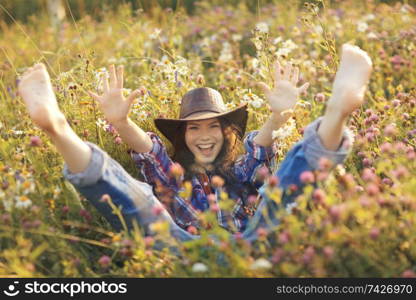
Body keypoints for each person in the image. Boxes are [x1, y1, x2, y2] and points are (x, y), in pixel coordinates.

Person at [17, 43, 372, 245]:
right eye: (193, 129)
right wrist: (122, 122)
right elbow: (148, 152)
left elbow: (259, 152)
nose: (204, 135)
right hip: (185, 249)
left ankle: (337, 112)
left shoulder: (239, 170)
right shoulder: (172, 176)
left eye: (213, 126)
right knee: (141, 201)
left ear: (226, 131)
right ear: (182, 137)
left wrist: (278, 117)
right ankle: (58, 128)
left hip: (253, 245)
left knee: (278, 195)